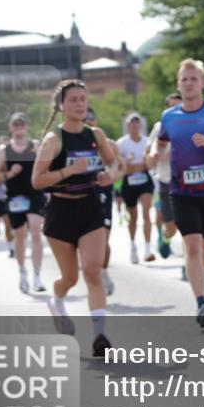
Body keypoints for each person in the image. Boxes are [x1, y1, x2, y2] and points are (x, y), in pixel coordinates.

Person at [32, 79, 116, 357]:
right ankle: (57, 302)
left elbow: (114, 162)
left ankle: (100, 336)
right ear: (61, 105)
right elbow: (37, 181)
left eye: (83, 98)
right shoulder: (53, 140)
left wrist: (109, 175)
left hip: (91, 207)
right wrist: (69, 171)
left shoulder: (96, 134)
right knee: (69, 277)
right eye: (74, 100)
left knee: (92, 271)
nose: (80, 104)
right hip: (61, 212)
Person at [155, 60, 204, 328]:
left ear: (202, 83)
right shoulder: (169, 117)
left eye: (193, 79)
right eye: (184, 80)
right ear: (179, 84)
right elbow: (161, 143)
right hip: (181, 190)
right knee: (191, 246)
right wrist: (155, 154)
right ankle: (201, 302)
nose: (189, 83)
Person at [0, 113, 46, 294]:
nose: (19, 127)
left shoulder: (36, 146)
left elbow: (48, 167)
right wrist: (10, 174)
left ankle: (37, 276)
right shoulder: (3, 150)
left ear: (27, 126)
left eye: (22, 123)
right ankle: (23, 273)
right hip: (14, 197)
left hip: (35, 194)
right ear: (10, 127)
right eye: (15, 124)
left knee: (36, 230)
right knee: (20, 236)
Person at [85, 107, 121, 295]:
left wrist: (111, 175)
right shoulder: (72, 144)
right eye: (85, 119)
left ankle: (103, 272)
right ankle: (92, 273)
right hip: (81, 196)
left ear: (96, 121)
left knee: (104, 238)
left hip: (103, 195)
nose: (88, 121)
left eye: (91, 118)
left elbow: (120, 168)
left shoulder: (108, 144)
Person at [116, 113, 155, 263]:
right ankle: (133, 246)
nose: (135, 126)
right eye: (132, 124)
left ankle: (147, 249)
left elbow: (149, 163)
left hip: (145, 180)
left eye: (137, 124)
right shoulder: (121, 144)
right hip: (129, 183)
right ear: (128, 126)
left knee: (146, 211)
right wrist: (128, 164)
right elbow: (120, 166)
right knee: (133, 217)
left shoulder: (147, 142)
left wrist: (138, 165)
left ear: (140, 126)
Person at [147, 93, 182, 260]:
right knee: (171, 227)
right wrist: (155, 155)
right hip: (165, 180)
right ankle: (166, 237)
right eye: (171, 107)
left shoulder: (190, 123)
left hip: (188, 182)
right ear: (166, 109)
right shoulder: (159, 127)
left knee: (189, 226)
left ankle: (187, 265)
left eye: (178, 106)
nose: (175, 110)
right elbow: (149, 151)